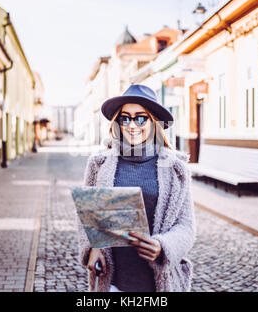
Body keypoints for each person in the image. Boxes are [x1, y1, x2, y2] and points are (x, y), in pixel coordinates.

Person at [77, 84, 196, 292]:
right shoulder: (99, 164)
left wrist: (162, 246)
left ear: (153, 122)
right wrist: (93, 247)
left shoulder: (176, 168)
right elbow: (89, 218)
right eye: (125, 118)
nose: (132, 125)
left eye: (140, 117)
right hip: (112, 283)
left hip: (159, 284)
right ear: (118, 122)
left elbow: (186, 227)